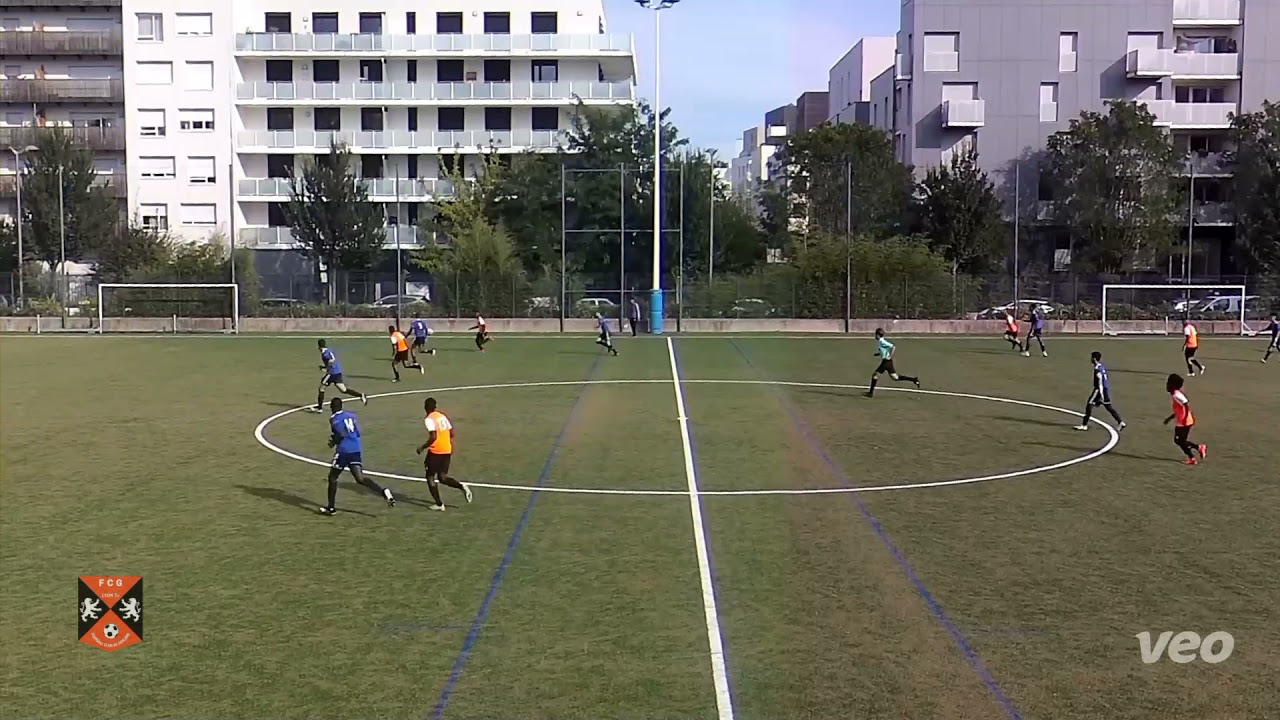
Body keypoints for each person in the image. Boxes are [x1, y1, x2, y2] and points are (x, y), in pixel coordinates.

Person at [321, 398, 395, 515]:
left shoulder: (333, 419)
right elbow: (356, 432)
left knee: (333, 478)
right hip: (356, 448)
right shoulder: (351, 415)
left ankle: (331, 508)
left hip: (344, 451)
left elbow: (340, 434)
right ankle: (383, 492)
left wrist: (332, 442)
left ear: (332, 407)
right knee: (360, 478)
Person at [415, 397, 472, 511]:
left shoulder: (429, 419)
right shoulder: (442, 416)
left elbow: (433, 436)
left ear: (425, 408)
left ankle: (439, 504)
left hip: (436, 451)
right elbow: (452, 433)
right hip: (447, 449)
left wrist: (422, 447)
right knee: (442, 477)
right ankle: (461, 486)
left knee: (430, 477)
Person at [1074, 351, 1126, 431]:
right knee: (1108, 407)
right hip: (1105, 389)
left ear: (1094, 359)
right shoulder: (1102, 367)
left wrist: (1100, 395)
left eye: (1091, 358)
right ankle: (1120, 422)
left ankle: (1084, 425)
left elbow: (1100, 382)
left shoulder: (1097, 369)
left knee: (1089, 405)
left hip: (1099, 390)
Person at [1163, 374, 1207, 465]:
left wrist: (1185, 418)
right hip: (1182, 421)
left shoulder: (1176, 395)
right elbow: (1179, 409)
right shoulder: (1174, 395)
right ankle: (1196, 452)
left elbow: (1186, 404)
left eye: (1168, 384)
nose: (1166, 386)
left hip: (1184, 422)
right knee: (1180, 441)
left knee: (1179, 441)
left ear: (1173, 386)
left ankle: (1196, 452)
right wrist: (1170, 418)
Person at [313, 339, 366, 413]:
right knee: (343, 390)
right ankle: (360, 395)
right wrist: (325, 367)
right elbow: (333, 359)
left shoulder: (324, 354)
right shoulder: (329, 350)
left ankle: (319, 408)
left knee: (321, 388)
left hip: (331, 373)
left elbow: (331, 360)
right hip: (337, 372)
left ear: (319, 347)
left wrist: (326, 368)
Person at [866, 328, 921, 398]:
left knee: (875, 374)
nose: (875, 336)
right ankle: (914, 379)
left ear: (878, 335)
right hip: (888, 362)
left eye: (875, 335)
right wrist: (878, 354)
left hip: (886, 362)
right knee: (895, 377)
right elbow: (884, 350)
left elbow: (893, 346)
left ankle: (870, 393)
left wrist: (890, 356)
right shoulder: (881, 342)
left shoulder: (881, 341)